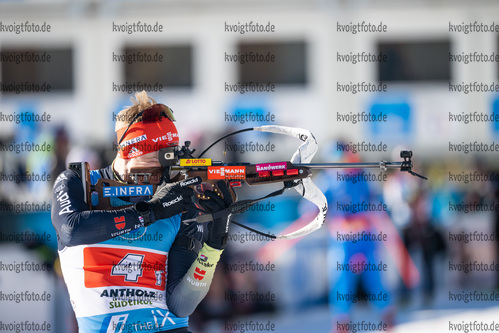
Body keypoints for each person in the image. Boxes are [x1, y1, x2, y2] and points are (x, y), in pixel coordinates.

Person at [51, 91, 233, 333]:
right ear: (125, 153)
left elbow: (181, 305)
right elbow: (71, 230)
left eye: (166, 165)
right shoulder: (78, 183)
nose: (161, 176)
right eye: (151, 164)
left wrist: (214, 245)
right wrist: (152, 211)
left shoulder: (177, 198)